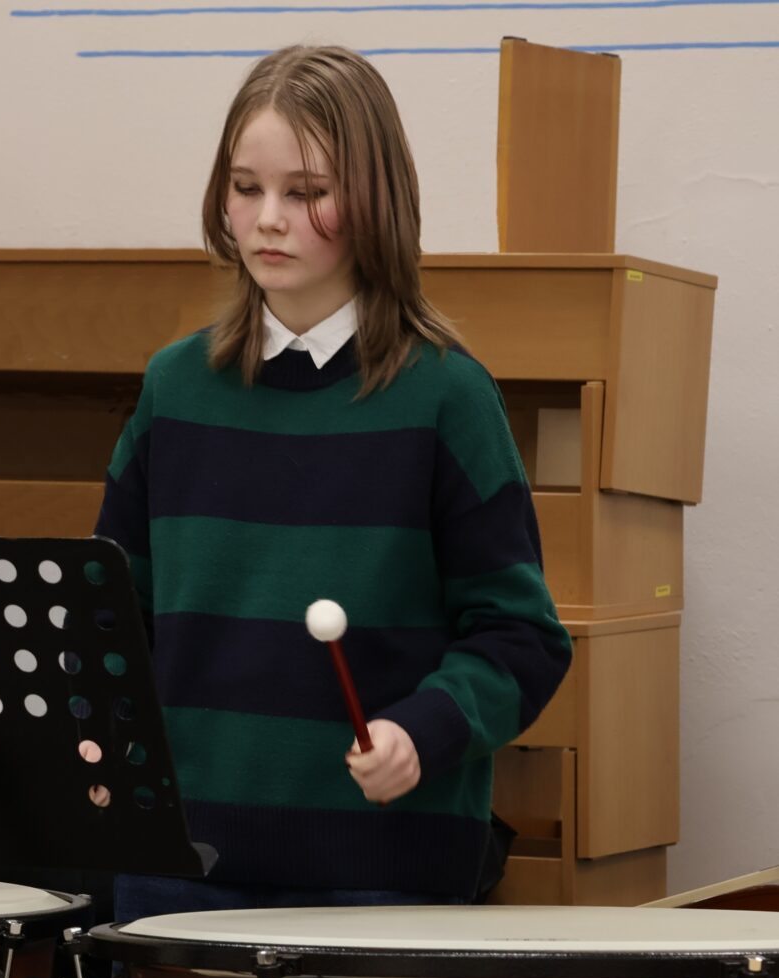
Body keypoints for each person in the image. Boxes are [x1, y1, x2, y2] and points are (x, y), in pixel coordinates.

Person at [94, 44, 572, 926]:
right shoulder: (175, 390)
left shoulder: (446, 398)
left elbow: (523, 638)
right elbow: (110, 619)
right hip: (182, 865)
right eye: (246, 188)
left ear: (375, 201)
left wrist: (421, 732)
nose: (268, 219)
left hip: (382, 870)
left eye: (307, 192)